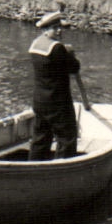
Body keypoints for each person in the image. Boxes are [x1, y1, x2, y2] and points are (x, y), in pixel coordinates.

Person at [28, 11, 92, 160]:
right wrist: (68, 53)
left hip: (40, 101)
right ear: (45, 29)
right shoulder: (57, 48)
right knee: (67, 137)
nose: (59, 30)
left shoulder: (35, 45)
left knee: (40, 138)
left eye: (60, 27)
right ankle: (62, 168)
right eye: (54, 28)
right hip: (58, 103)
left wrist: (64, 51)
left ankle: (34, 166)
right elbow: (74, 67)